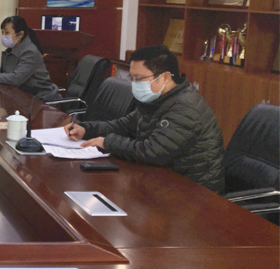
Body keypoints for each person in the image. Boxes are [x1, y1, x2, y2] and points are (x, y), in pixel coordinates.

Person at [65, 44, 224, 193]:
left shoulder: (185, 107)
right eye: (132, 78)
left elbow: (152, 151)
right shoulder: (157, 98)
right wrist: (86, 129)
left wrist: (107, 142)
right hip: (163, 178)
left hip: (194, 191)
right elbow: (123, 125)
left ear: (165, 77)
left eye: (139, 79)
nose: (135, 84)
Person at [0, 15, 61, 102]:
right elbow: (8, 71)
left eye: (7, 33)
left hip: (41, 100)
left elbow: (16, 78)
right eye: (2, 32)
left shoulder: (30, 52)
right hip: (22, 97)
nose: (3, 35)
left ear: (20, 34)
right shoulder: (12, 49)